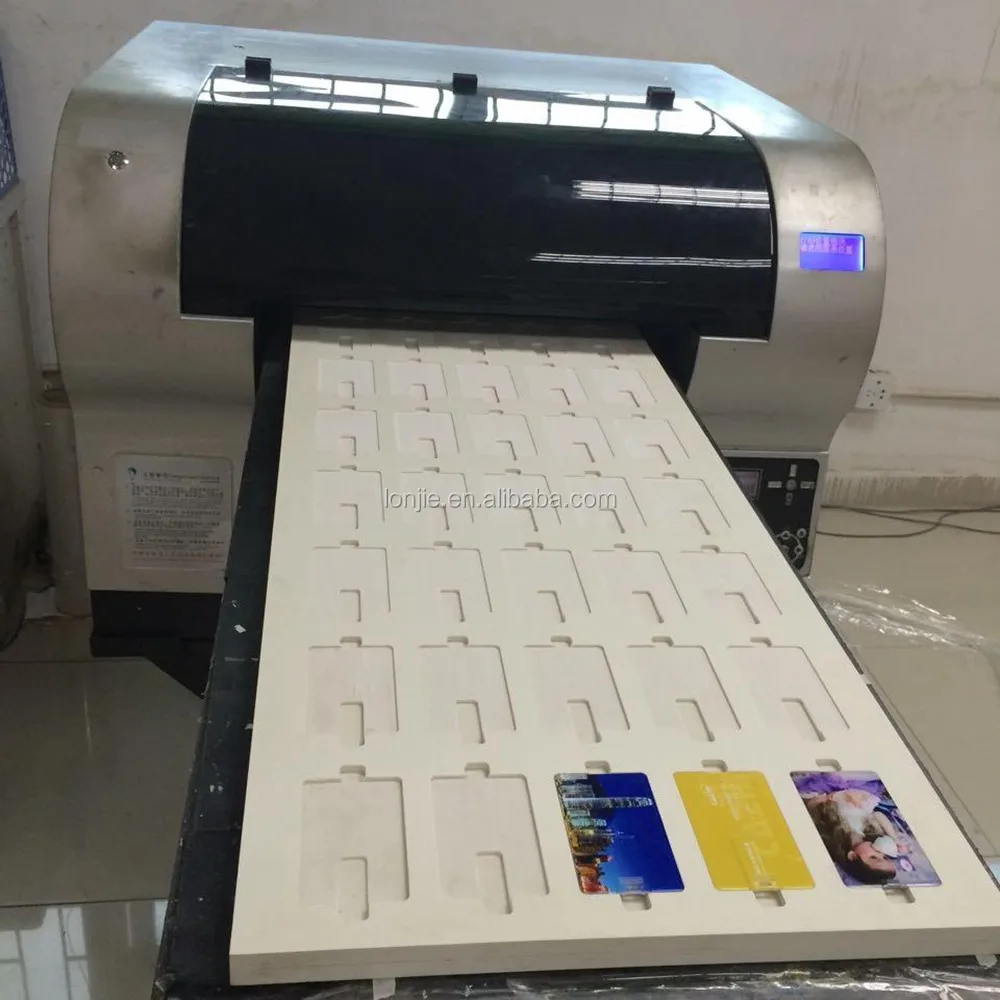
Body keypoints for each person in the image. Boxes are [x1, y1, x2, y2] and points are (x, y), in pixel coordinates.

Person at [804, 792, 903, 884]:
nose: (879, 851)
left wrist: (826, 797)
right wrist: (894, 838)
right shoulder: (872, 834)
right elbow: (878, 815)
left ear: (852, 856)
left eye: (873, 857)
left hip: (827, 794)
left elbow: (810, 808)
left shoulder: (831, 838)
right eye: (885, 857)